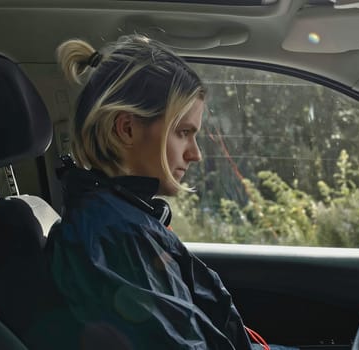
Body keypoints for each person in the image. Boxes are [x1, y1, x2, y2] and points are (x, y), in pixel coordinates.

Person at [46, 34, 257, 349]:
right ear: (127, 129)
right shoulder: (115, 235)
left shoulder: (124, 217)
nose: (195, 154)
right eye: (184, 133)